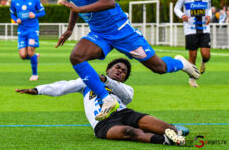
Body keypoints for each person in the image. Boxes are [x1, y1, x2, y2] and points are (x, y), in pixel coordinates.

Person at [45, 0, 199, 120]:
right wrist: (69, 30)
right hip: (100, 34)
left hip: (122, 32)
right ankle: (107, 99)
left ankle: (181, 64)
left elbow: (109, 1)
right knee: (76, 56)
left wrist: (80, 10)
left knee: (159, 67)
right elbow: (73, 7)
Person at [16, 58, 187, 146]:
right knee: (129, 132)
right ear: (108, 69)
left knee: (167, 127)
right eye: (117, 68)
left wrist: (106, 81)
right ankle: (164, 140)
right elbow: (62, 86)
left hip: (124, 113)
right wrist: (38, 90)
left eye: (124, 71)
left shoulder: (125, 88)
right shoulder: (87, 82)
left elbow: (126, 97)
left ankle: (173, 132)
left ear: (125, 77)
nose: (120, 71)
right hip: (103, 123)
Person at [174, 0, 211, 87]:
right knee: (193, 55)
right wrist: (182, 16)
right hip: (190, 29)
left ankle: (203, 62)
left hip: (204, 29)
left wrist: (209, 15)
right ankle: (192, 79)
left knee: (206, 55)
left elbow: (208, 8)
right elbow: (176, 8)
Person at [10, 0, 46, 81]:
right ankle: (36, 57)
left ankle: (35, 74)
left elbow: (43, 12)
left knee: (30, 52)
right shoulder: (14, 1)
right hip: (21, 30)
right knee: (22, 55)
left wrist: (35, 15)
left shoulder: (35, 0)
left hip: (32, 30)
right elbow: (12, 14)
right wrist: (15, 19)